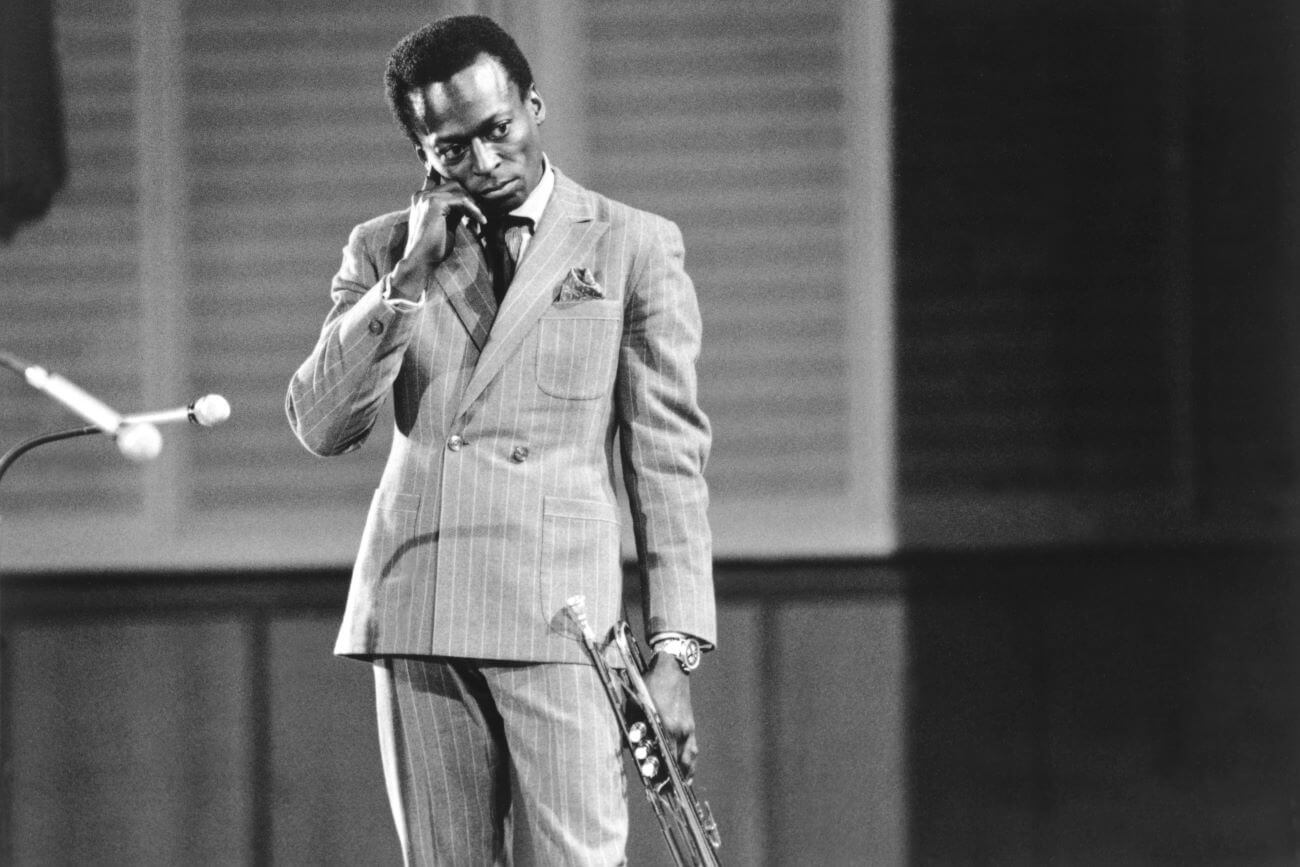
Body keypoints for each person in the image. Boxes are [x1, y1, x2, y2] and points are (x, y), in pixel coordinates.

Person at [285, 14, 715, 865]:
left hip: (562, 617)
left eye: (498, 130)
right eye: (452, 149)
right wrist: (406, 282)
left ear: (533, 104)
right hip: (420, 601)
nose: (484, 162)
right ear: (423, 155)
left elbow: (667, 460)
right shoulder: (382, 251)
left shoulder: (633, 244)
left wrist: (674, 651)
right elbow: (323, 425)